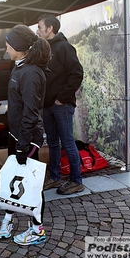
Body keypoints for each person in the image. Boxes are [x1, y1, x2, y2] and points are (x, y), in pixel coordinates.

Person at [0, 24, 51, 245]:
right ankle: (9, 218)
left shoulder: (30, 73)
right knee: (13, 179)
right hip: (17, 134)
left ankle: (37, 230)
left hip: (26, 138)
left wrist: (23, 143)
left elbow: (31, 112)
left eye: (8, 45)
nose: (6, 48)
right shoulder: (19, 66)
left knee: (31, 184)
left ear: (18, 47)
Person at [36, 14, 85, 195]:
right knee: (53, 143)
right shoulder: (45, 48)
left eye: (40, 27)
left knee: (67, 142)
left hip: (61, 105)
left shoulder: (64, 47)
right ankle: (55, 177)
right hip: (48, 105)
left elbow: (77, 74)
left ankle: (76, 180)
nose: (37, 31)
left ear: (50, 28)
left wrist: (61, 98)